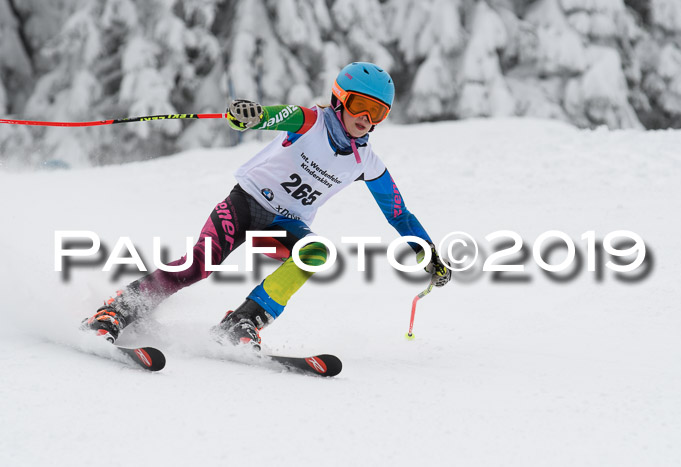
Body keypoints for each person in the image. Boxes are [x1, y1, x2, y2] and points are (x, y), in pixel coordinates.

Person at [82, 62, 451, 347]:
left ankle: (242, 321)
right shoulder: (311, 122)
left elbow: (398, 214)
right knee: (199, 265)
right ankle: (117, 310)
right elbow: (273, 116)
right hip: (246, 205)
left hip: (283, 226)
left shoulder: (366, 162)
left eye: (377, 112)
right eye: (359, 105)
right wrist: (251, 116)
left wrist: (428, 253)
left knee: (315, 252)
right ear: (340, 99)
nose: (365, 119)